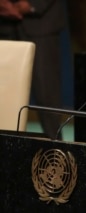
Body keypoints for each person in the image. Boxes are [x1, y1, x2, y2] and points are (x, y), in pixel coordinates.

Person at [0, 0, 66, 139]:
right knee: (4, 96)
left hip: (41, 25)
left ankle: (54, 153)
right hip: (4, 26)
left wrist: (30, 4)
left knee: (46, 94)